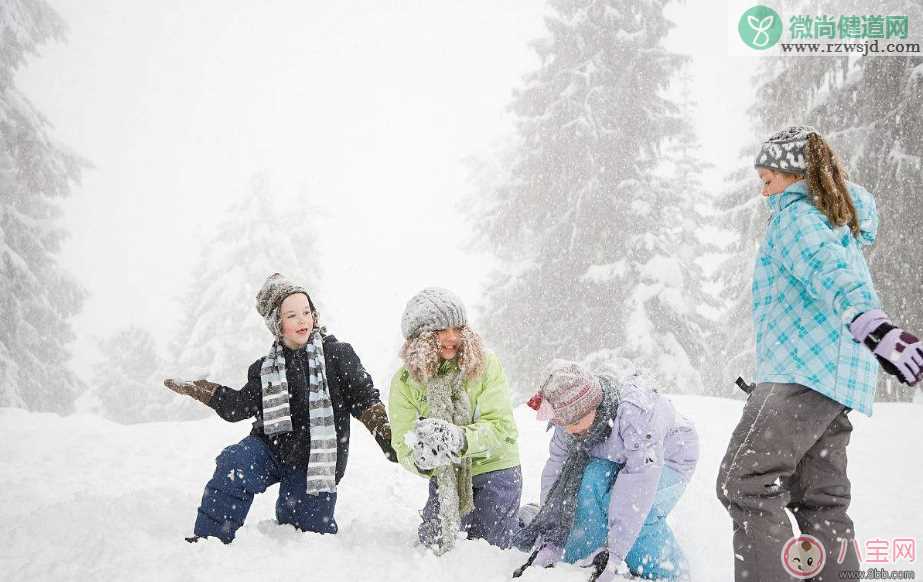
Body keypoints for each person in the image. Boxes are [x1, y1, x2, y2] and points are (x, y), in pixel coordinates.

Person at [716, 126, 923, 581]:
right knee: (820, 500)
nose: (763, 189)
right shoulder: (832, 222)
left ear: (796, 176)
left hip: (799, 375)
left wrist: (871, 323)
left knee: (744, 482)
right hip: (833, 382)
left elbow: (826, 273)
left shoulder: (796, 217)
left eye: (768, 179)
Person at [164, 273, 396, 543]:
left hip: (315, 464)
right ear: (278, 324)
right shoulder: (265, 368)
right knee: (234, 462)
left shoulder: (338, 356)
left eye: (306, 312)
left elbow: (365, 399)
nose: (302, 320)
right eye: (292, 315)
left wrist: (386, 435)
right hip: (270, 449)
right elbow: (238, 407)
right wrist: (205, 390)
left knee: (304, 532)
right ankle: (208, 541)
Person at [515, 359, 698, 581]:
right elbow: (557, 472)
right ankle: (578, 555)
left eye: (575, 422)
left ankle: (666, 570)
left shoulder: (635, 416)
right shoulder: (569, 417)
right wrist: (552, 538)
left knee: (637, 510)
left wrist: (616, 555)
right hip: (616, 457)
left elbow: (637, 489)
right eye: (565, 424)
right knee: (588, 481)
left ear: (592, 406)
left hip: (668, 459)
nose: (570, 430)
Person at [388, 287, 522, 554]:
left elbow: (502, 427)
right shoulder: (405, 383)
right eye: (440, 331)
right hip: (446, 475)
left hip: (495, 469)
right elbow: (403, 444)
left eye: (458, 328)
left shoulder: (485, 365)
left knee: (489, 552)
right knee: (435, 548)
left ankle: (522, 521)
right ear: (420, 338)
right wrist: (422, 460)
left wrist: (459, 440)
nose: (452, 338)